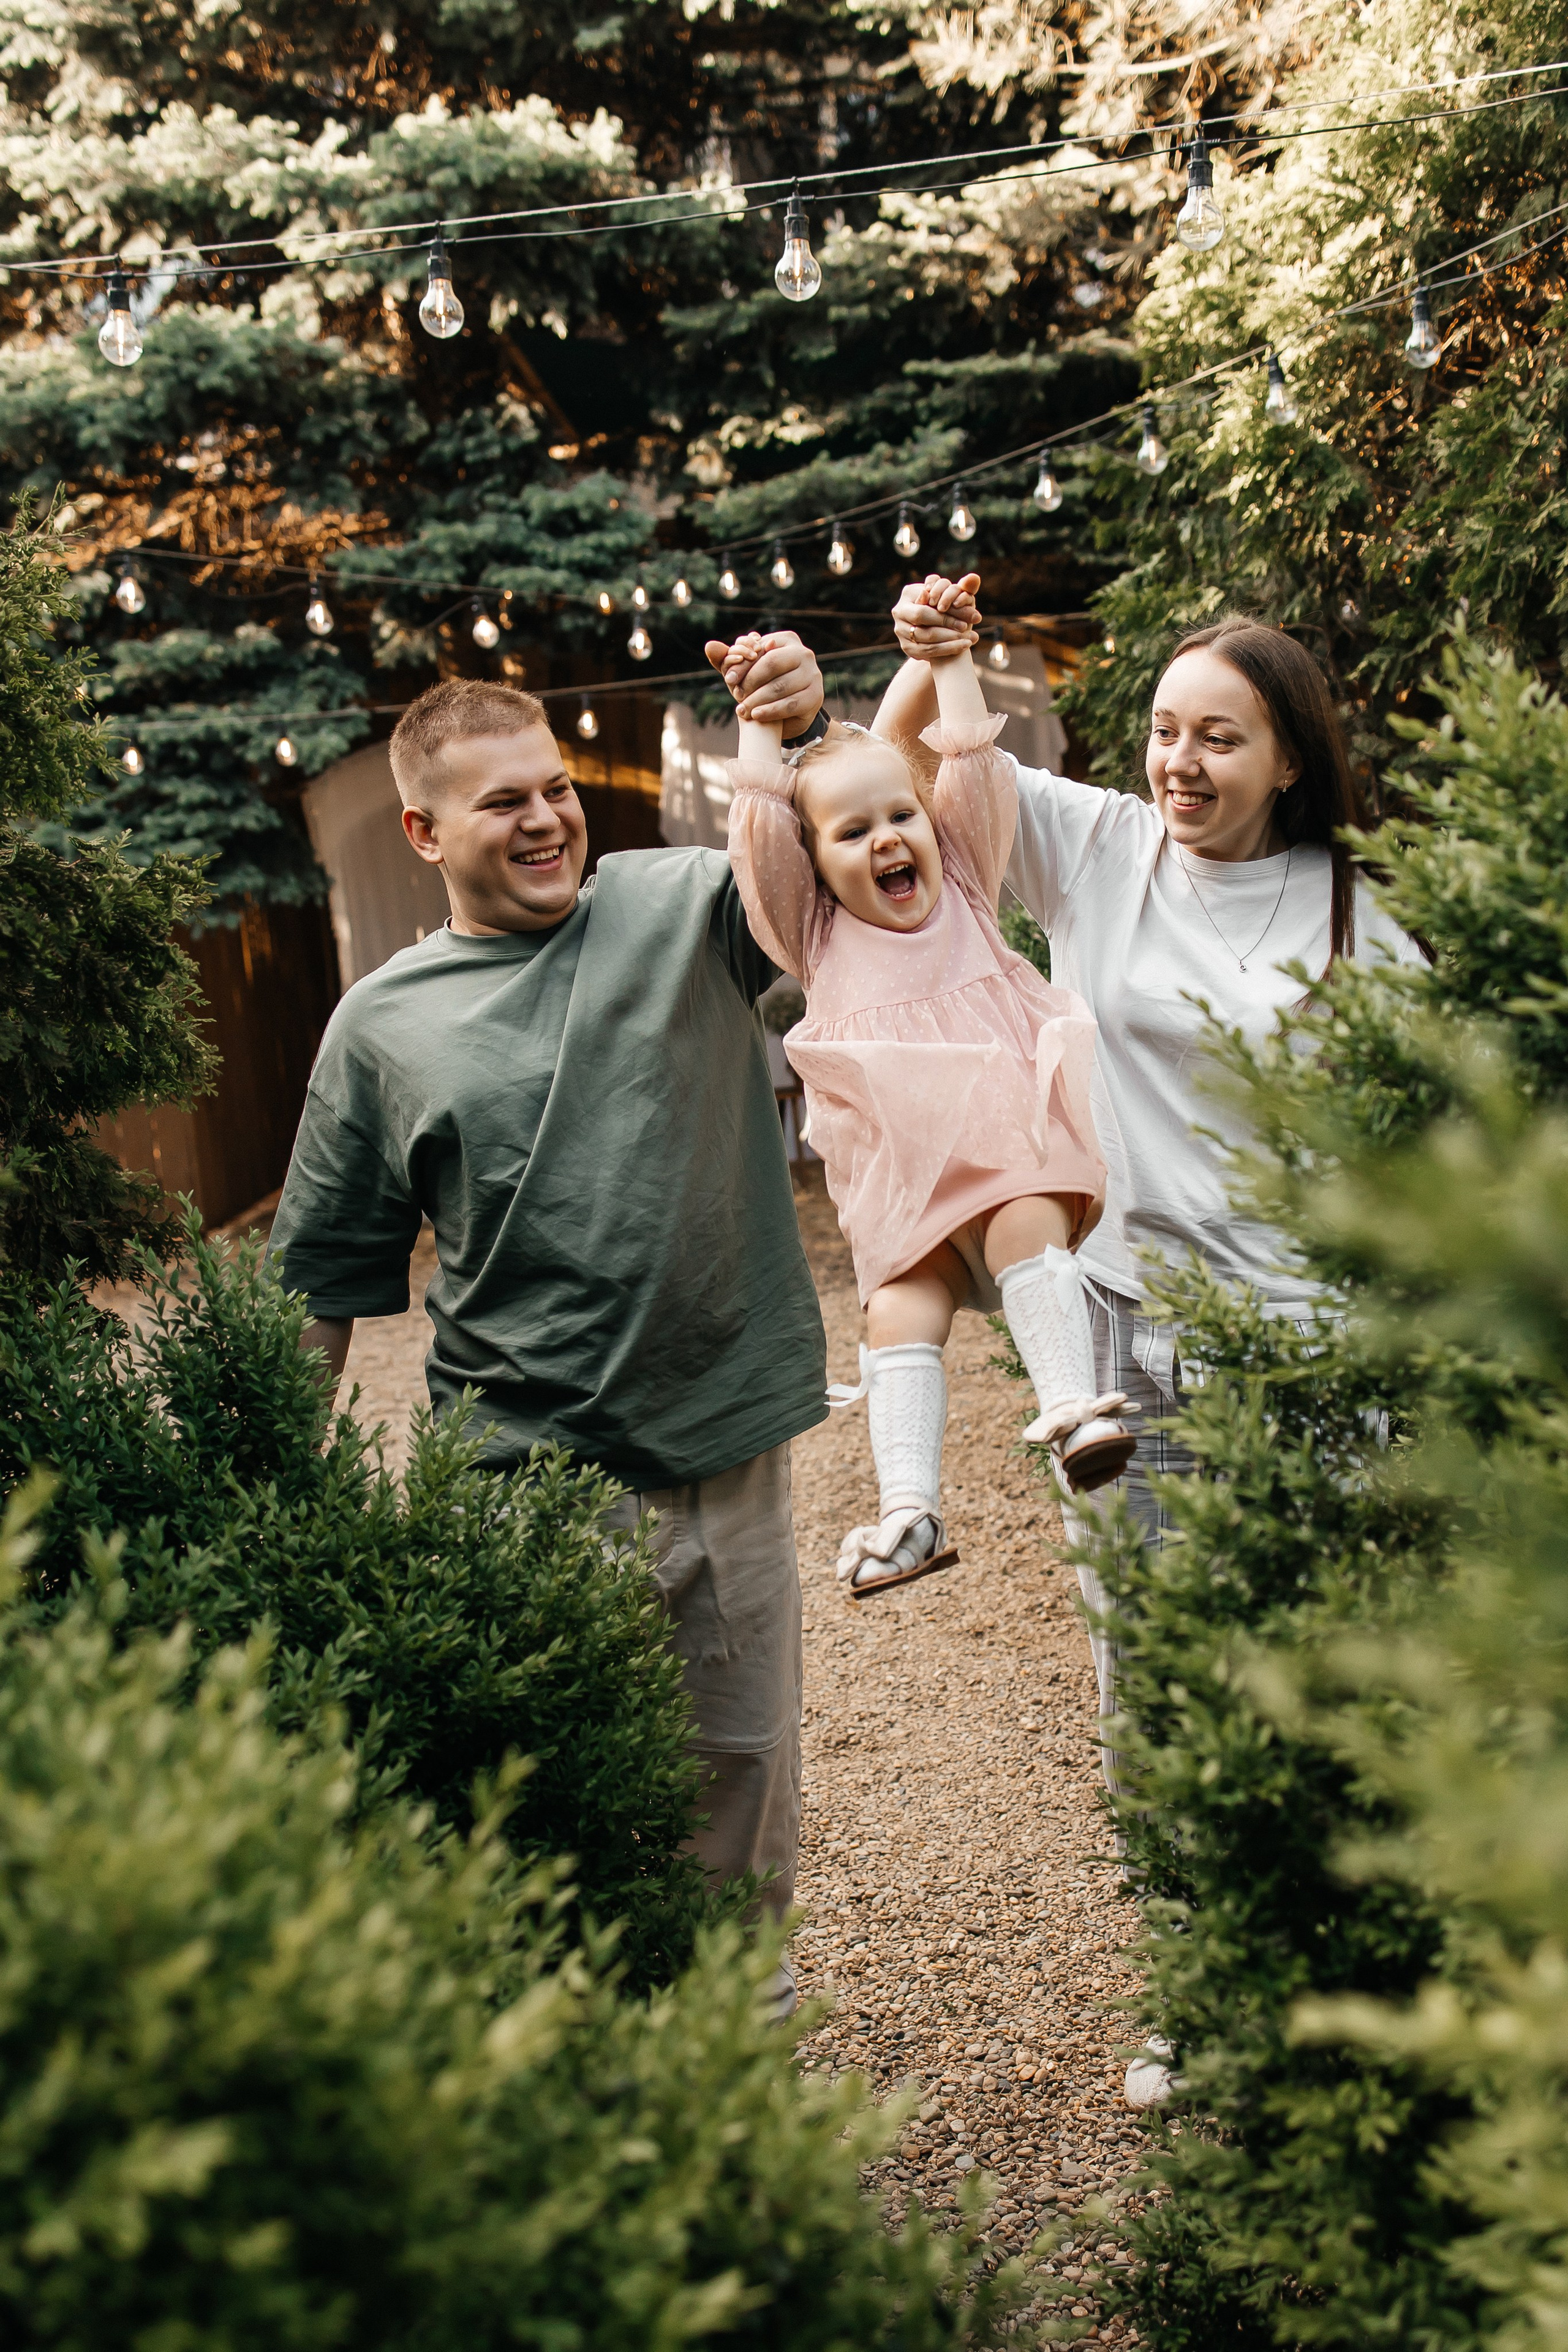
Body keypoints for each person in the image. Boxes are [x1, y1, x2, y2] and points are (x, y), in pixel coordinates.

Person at [268, 639, 831, 2012]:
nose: (545, 818)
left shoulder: (678, 906)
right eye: (502, 802)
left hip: (727, 1448)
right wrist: (268, 1484)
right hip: (526, 1485)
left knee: (741, 1794)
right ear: (423, 830)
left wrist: (798, 733)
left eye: (555, 788)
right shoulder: (381, 1027)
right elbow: (321, 1287)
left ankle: (736, 2111)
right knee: (554, 1822)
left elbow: (831, 880)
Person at [723, 592, 1133, 1605]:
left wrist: (956, 659)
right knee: (899, 1309)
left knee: (1022, 1218)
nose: (888, 838)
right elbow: (760, 825)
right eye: (852, 831)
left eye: (900, 814)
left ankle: (1073, 1407)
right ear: (813, 867)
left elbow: (968, 765)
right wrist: (755, 722)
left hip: (1003, 1158)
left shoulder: (965, 886)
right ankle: (911, 1511)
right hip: (906, 1191)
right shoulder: (813, 935)